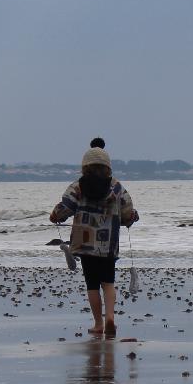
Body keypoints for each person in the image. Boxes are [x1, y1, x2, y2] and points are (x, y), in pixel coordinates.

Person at [49, 138, 138, 336]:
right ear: (107, 166)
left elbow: (65, 208)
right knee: (108, 282)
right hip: (109, 244)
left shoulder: (78, 187)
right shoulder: (116, 188)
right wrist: (133, 217)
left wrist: (55, 215)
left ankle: (98, 323)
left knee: (92, 284)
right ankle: (111, 318)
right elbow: (127, 213)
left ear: (85, 166)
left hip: (85, 242)